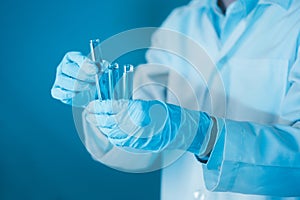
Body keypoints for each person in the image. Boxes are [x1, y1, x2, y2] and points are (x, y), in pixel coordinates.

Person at [51, 0, 300, 199]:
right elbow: (139, 141)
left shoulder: (293, 19)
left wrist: (203, 135)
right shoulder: (180, 22)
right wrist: (100, 99)